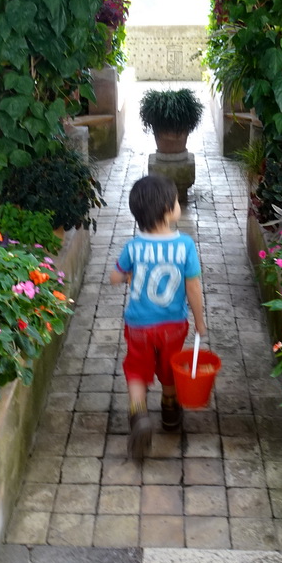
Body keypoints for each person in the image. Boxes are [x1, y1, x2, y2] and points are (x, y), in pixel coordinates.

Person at [109, 174, 207, 459]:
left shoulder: (133, 247)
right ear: (167, 209)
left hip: (138, 325)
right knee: (168, 369)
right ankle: (170, 412)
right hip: (174, 325)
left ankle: (139, 415)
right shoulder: (185, 246)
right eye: (176, 201)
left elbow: (115, 277)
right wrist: (199, 321)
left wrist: (127, 274)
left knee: (137, 370)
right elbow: (193, 286)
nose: (178, 205)